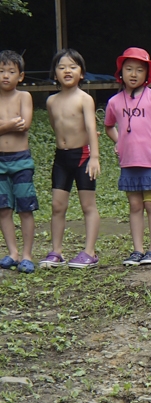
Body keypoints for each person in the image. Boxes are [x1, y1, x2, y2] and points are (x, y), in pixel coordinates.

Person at [105, 47, 151, 267]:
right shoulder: (114, 102)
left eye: (139, 69)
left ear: (148, 74)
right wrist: (119, 142)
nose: (134, 74)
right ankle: (137, 250)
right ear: (121, 72)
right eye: (129, 69)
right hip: (128, 163)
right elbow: (108, 126)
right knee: (135, 206)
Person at [40, 49, 101, 269]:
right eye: (62, 67)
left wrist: (94, 157)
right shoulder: (51, 101)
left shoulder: (84, 99)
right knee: (57, 206)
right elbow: (55, 126)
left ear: (82, 73)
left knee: (88, 205)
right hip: (61, 158)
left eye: (73, 67)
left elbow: (91, 128)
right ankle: (56, 251)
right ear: (55, 74)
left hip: (83, 156)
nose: (67, 70)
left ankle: (90, 252)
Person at [0, 50, 37, 274]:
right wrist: (8, 125)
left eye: (11, 71)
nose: (5, 76)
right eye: (1, 71)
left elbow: (25, 124)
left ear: (20, 76)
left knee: (26, 208)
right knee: (3, 208)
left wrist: (9, 124)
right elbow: (15, 124)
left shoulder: (24, 97)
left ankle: (26, 255)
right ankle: (12, 252)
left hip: (21, 160)